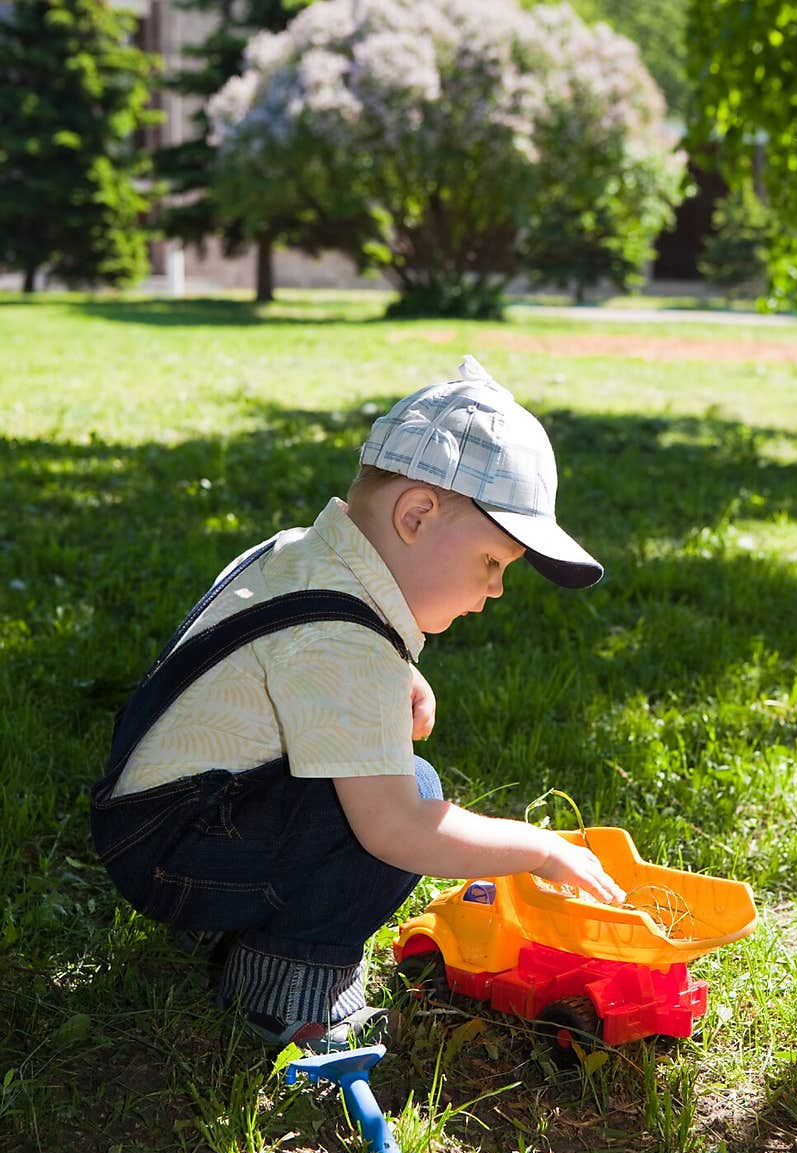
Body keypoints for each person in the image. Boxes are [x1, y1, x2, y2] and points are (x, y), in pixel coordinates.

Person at [90, 355, 625, 1052]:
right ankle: (284, 988)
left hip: (155, 818)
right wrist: (540, 851)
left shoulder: (301, 554)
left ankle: (249, 921)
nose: (495, 590)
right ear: (416, 515)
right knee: (412, 797)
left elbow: (275, 649)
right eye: (492, 563)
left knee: (379, 782)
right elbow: (397, 831)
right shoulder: (343, 643)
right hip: (175, 851)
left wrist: (396, 673)